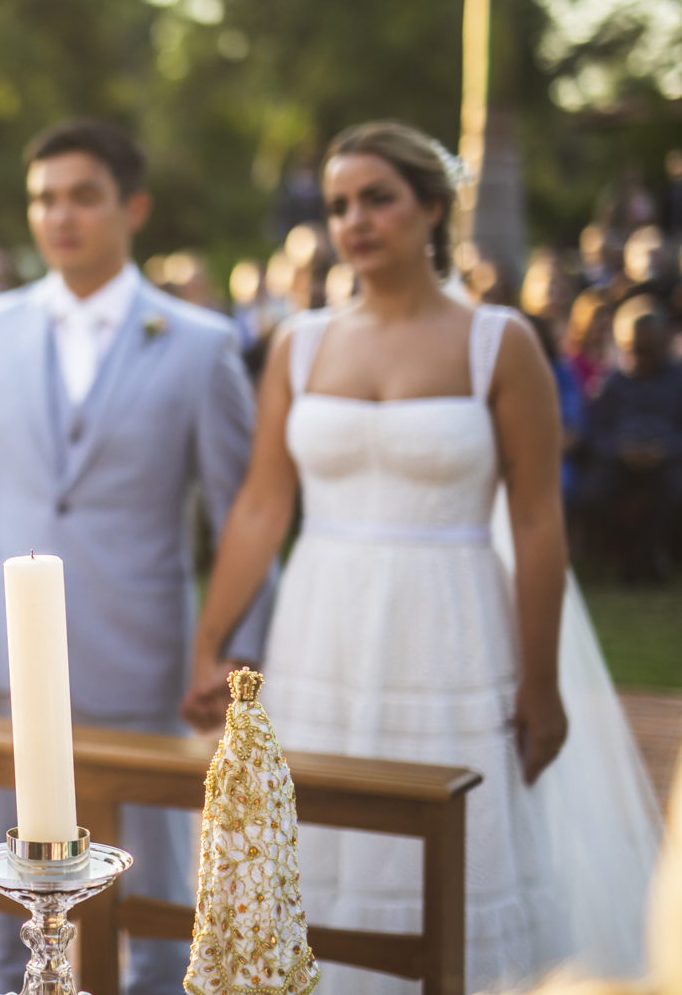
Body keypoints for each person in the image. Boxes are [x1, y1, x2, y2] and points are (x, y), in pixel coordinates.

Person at [182, 121, 658, 994]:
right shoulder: (301, 341)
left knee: (450, 843)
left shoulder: (499, 342)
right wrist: (211, 641)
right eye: (337, 205)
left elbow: (541, 519)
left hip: (450, 624)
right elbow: (260, 505)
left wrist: (542, 679)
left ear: (431, 208)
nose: (354, 220)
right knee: (314, 843)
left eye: (377, 198)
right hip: (321, 626)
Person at [0, 118, 275, 995]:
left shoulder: (199, 343)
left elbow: (246, 511)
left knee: (151, 896)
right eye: (44, 198)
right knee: (10, 885)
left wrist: (227, 650)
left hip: (143, 659)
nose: (60, 216)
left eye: (83, 195)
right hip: (4, 659)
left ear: (132, 207)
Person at [579, 296, 682, 581]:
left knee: (677, 493)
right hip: (618, 459)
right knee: (592, 496)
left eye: (648, 350)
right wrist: (620, 450)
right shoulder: (609, 381)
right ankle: (633, 554)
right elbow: (594, 431)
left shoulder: (678, 379)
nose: (640, 357)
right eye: (633, 349)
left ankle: (646, 556)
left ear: (663, 343)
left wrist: (667, 449)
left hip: (669, 459)